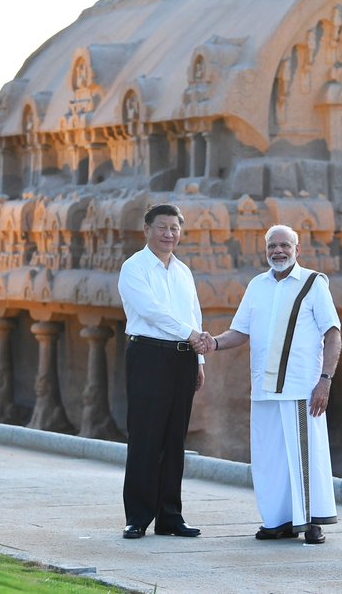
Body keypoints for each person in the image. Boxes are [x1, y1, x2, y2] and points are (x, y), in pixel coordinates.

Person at [194, 224, 340, 544]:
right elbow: (240, 331)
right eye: (272, 246)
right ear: (265, 251)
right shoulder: (256, 285)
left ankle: (311, 522)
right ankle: (278, 521)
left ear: (296, 250)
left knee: (305, 456)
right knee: (269, 456)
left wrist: (325, 381)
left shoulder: (314, 284)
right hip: (263, 389)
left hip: (302, 389)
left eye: (284, 245)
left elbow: (333, 334)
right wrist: (213, 344)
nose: (278, 251)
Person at [117, 203, 208, 540]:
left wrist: (199, 360)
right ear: (147, 230)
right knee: (145, 436)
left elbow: (193, 312)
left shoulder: (183, 271)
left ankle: (170, 516)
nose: (169, 234)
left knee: (173, 439)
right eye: (162, 227)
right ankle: (138, 516)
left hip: (183, 359)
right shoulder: (134, 268)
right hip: (149, 356)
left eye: (174, 228)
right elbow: (150, 311)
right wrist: (191, 335)